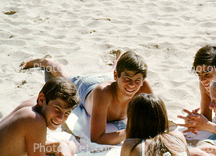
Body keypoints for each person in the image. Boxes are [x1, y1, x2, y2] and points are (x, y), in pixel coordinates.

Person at [21, 51, 153, 145]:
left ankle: (117, 63)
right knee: (66, 77)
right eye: (128, 79)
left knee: (125, 76)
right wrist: (131, 131)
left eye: (137, 80)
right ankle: (47, 62)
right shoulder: (103, 93)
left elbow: (158, 117)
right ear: (116, 76)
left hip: (112, 80)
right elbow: (97, 137)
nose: (132, 85)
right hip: (86, 87)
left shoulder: (142, 86)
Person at [0, 77, 79, 156]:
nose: (60, 118)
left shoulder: (33, 104)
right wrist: (70, 150)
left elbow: (32, 145)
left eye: (67, 113)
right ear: (41, 99)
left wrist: (60, 145)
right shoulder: (35, 120)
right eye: (57, 108)